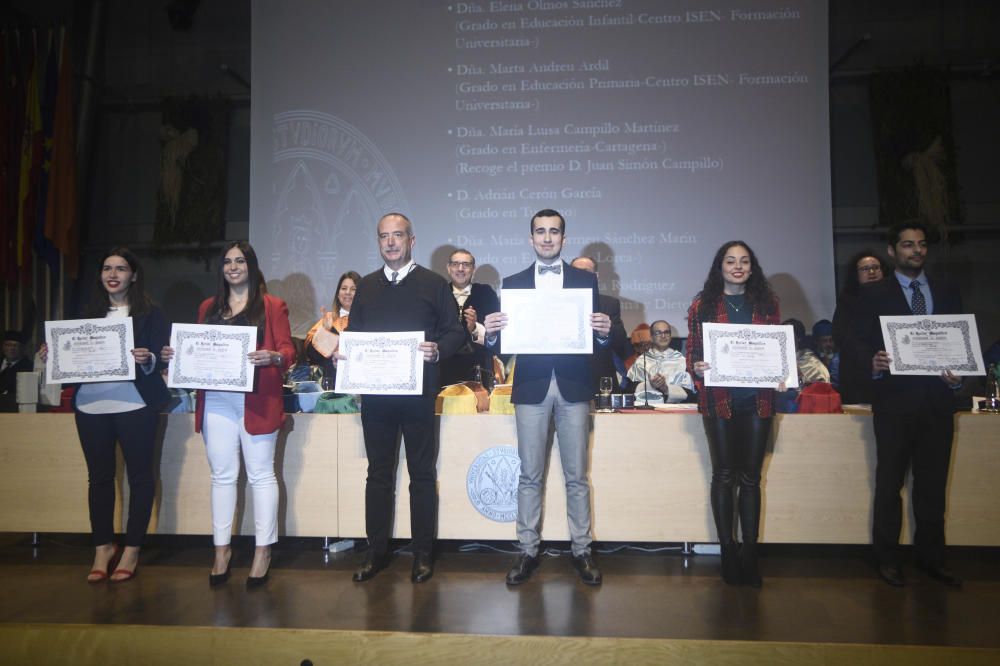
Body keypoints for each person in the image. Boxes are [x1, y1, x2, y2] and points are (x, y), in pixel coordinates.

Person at [484, 209, 612, 586]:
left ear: (563, 239)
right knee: (529, 475)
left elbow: (597, 336)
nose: (547, 238)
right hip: (531, 386)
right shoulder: (514, 283)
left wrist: (603, 332)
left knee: (576, 475)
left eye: (554, 232)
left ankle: (582, 550)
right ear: (530, 238)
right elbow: (503, 347)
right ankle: (527, 550)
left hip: (574, 384)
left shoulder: (584, 281)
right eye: (540, 231)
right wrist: (492, 334)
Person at [162, 241, 294, 588]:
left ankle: (262, 551)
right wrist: (177, 355)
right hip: (217, 401)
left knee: (261, 476)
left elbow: (287, 351)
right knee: (221, 476)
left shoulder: (271, 305)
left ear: (251, 264)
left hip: (258, 400)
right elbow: (197, 351)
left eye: (239, 260)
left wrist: (274, 357)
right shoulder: (209, 306)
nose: (233, 266)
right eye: (227, 261)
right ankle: (221, 551)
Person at [346, 213, 465, 584]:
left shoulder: (433, 284)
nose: (391, 242)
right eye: (384, 236)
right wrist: (345, 355)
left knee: (422, 475)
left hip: (417, 395)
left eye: (398, 235)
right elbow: (354, 334)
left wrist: (437, 350)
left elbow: (456, 332)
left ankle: (423, 554)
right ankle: (375, 551)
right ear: (378, 241)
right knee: (378, 475)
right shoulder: (365, 286)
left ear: (412, 240)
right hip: (377, 398)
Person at [40, 248, 170, 582]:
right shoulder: (85, 313)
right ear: (100, 275)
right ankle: (102, 547)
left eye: (121, 268)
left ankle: (132, 548)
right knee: (98, 478)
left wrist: (148, 359)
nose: (113, 274)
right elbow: (70, 359)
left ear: (134, 275)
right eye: (107, 268)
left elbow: (162, 357)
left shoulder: (151, 313)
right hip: (90, 406)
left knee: (140, 477)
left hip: (136, 405)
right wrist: (52, 354)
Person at [847, 221, 964, 588]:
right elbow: (855, 341)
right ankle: (887, 559)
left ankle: (932, 559)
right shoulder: (874, 294)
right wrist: (873, 361)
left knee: (932, 486)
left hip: (937, 401)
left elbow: (960, 337)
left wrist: (960, 374)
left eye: (922, 244)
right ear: (892, 251)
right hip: (895, 401)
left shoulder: (945, 290)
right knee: (889, 484)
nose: (916, 250)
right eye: (908, 245)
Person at [686, 241, 782, 587]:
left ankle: (750, 555)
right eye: (731, 261)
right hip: (719, 400)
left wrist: (782, 371)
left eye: (744, 261)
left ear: (752, 268)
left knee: (751, 478)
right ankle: (727, 551)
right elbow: (692, 355)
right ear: (720, 267)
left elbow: (777, 349)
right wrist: (697, 366)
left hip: (759, 401)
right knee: (724, 474)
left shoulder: (767, 304)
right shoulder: (703, 304)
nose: (737, 266)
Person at [833, 250, 890, 403]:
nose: (871, 272)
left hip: (892, 374)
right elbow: (841, 336)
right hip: (857, 374)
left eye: (876, 267)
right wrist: (870, 362)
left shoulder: (894, 299)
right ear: (855, 274)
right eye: (865, 269)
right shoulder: (847, 301)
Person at [438, 249, 500, 388]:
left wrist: (474, 329)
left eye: (466, 264)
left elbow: (495, 338)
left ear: (473, 269)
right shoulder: (439, 294)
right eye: (456, 264)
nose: (460, 269)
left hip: (479, 370)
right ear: (449, 268)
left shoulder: (486, 294)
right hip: (444, 370)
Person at [570, 256, 628, 393]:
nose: (579, 276)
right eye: (574, 272)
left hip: (598, 379)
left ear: (595, 276)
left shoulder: (609, 304)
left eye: (585, 271)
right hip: (566, 378)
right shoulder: (557, 302)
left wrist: (607, 331)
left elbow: (621, 342)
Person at [304, 270, 360, 388]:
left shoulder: (367, 321)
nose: (348, 292)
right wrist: (325, 331)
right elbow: (312, 355)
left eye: (353, 289)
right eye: (343, 288)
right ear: (338, 293)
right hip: (331, 382)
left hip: (359, 381)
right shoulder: (329, 319)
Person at [626, 320, 694, 403]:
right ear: (651, 337)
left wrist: (666, 388)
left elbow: (691, 394)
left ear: (670, 336)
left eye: (667, 332)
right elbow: (629, 391)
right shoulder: (641, 361)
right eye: (658, 333)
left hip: (675, 411)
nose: (663, 336)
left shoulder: (682, 361)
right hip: (648, 411)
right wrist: (650, 385)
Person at [1, 330, 33, 412]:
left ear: (22, 348)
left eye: (15, 345)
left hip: (13, 410)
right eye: (8, 345)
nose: (11, 348)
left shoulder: (29, 367)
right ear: (3, 347)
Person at [812, 319, 839, 388]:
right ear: (816, 341)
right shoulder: (810, 359)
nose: (828, 344)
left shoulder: (841, 358)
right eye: (824, 341)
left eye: (831, 340)